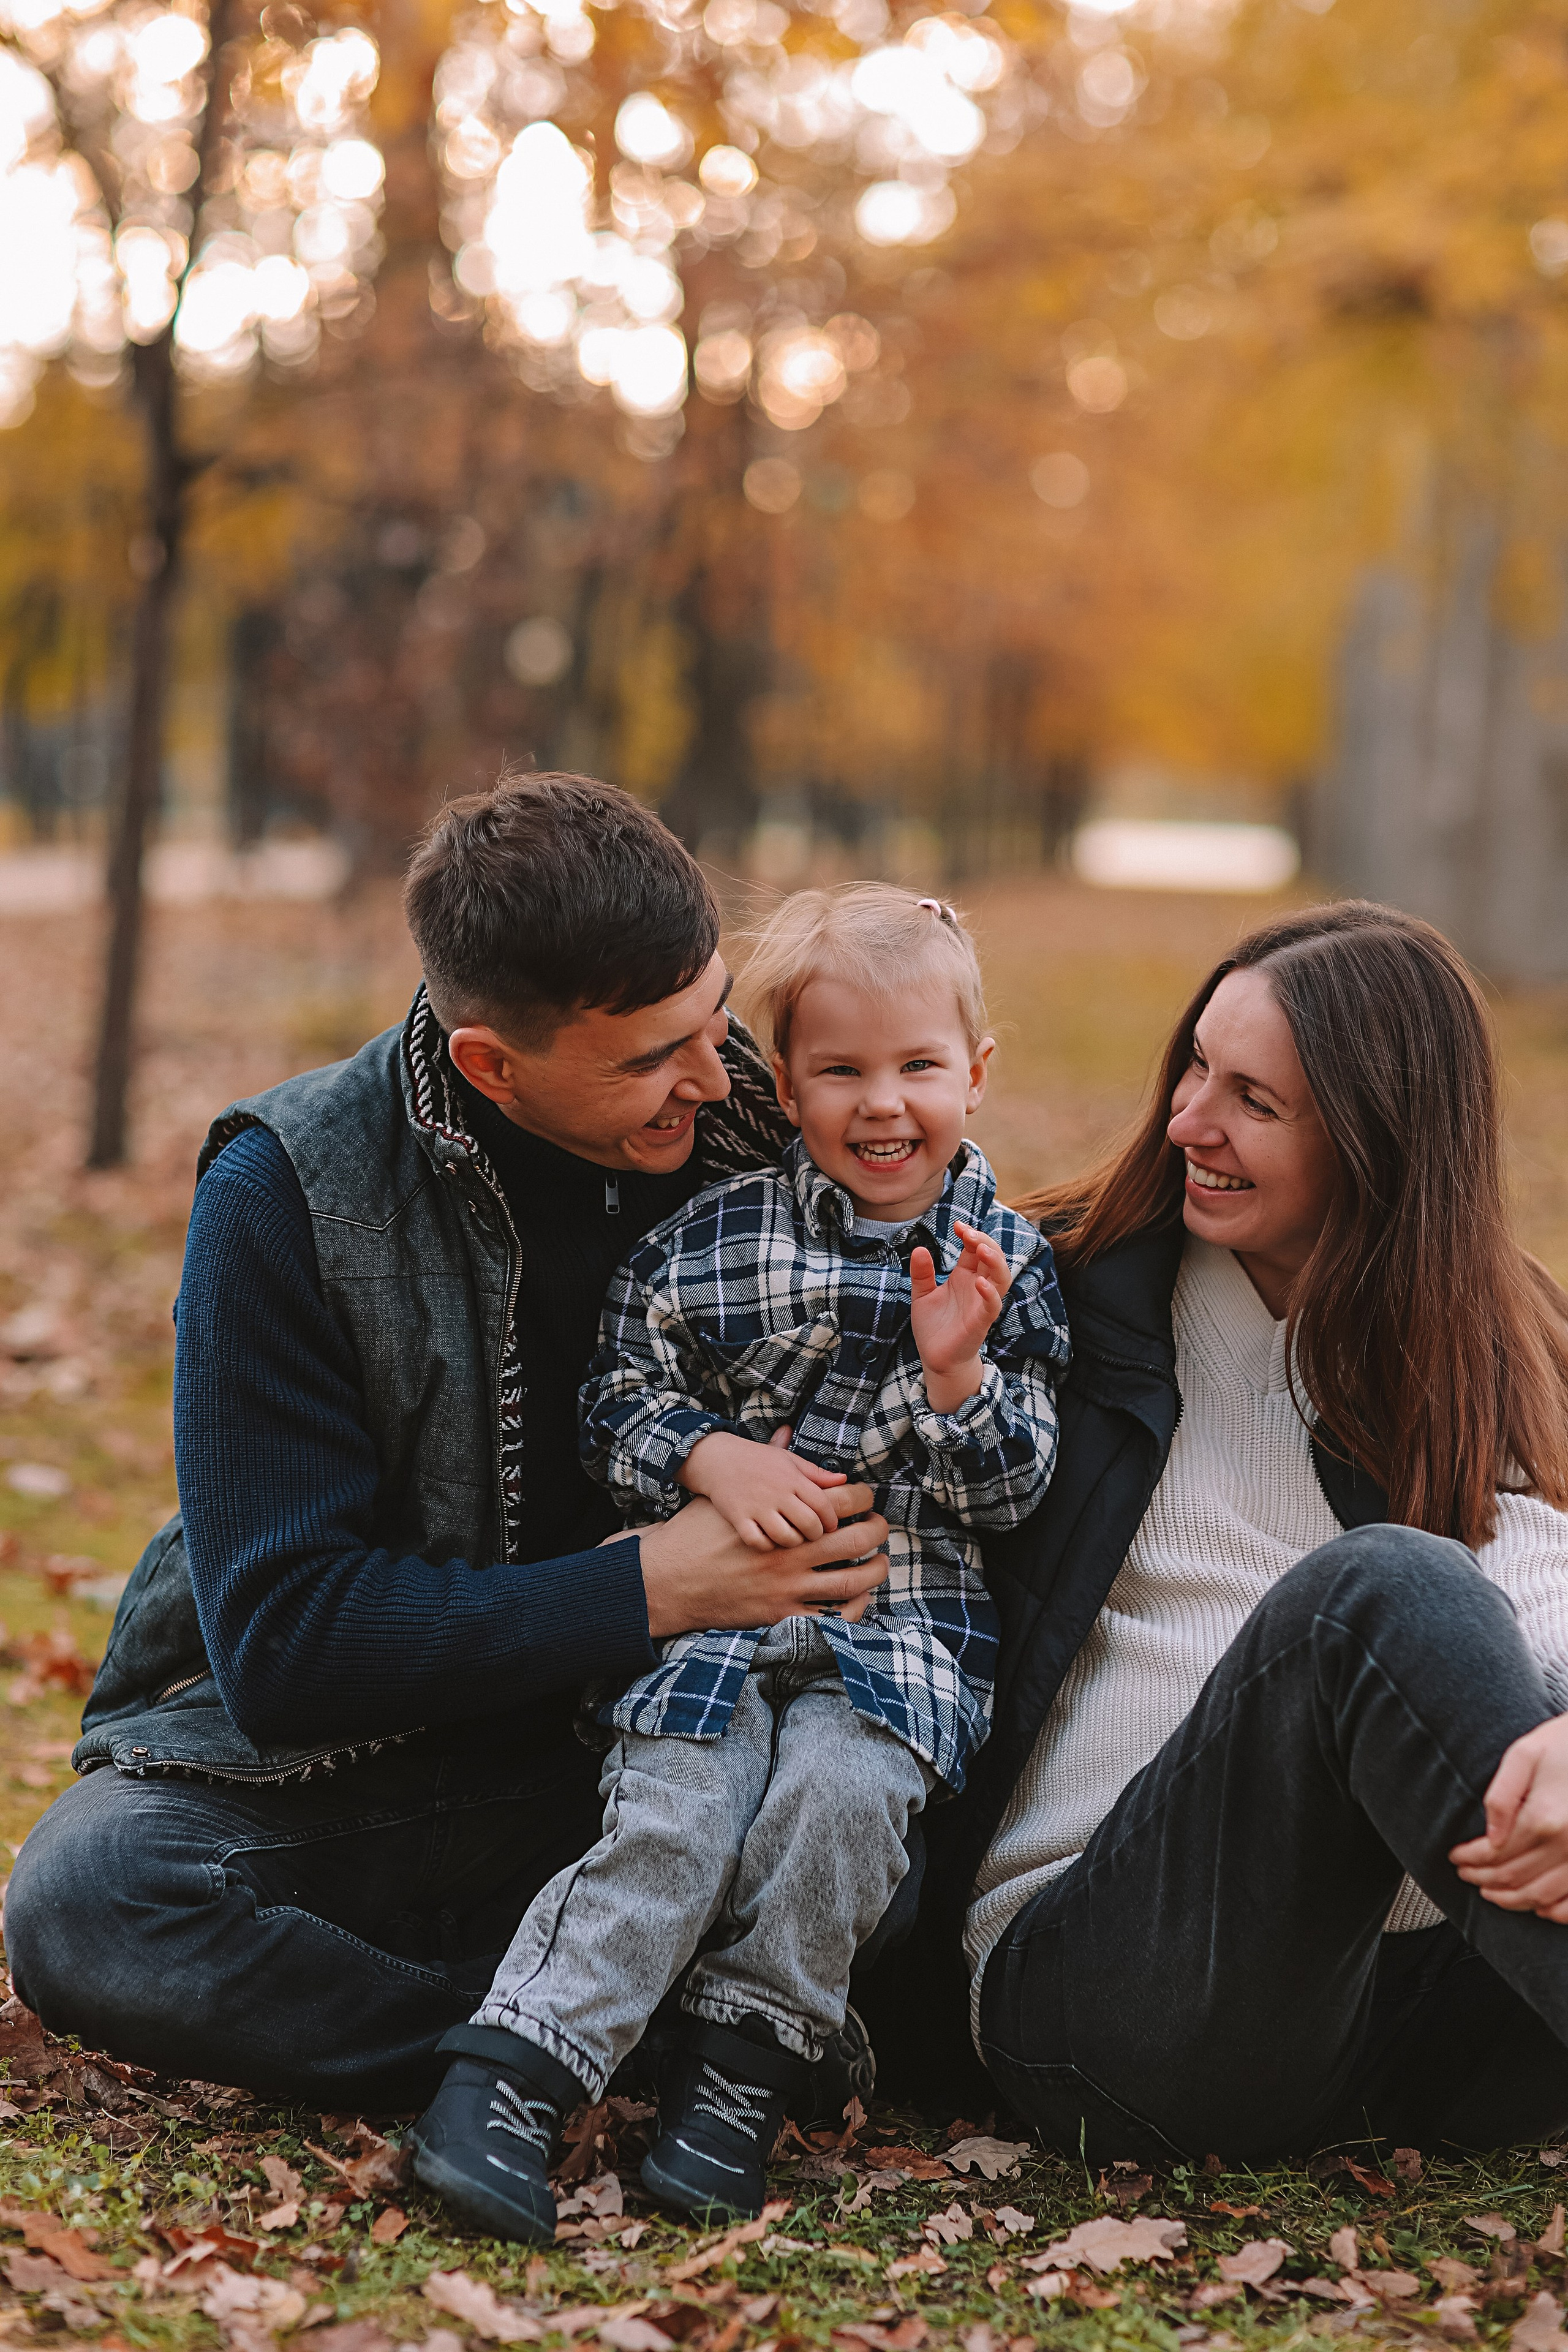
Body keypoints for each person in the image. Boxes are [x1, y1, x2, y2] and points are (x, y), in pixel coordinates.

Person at [3, 775, 892, 2109]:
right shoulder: (292, 1191)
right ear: (491, 1064)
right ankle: (584, 2053)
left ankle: (648, 2008)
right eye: (649, 1059)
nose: (711, 1080)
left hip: (688, 1749)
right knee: (91, 1901)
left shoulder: (774, 1130)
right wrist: (663, 1583)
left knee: (884, 1842)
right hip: (380, 1761)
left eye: (712, 1024)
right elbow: (290, 1649)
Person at [408, 885, 1069, 2240]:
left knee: (832, 1809)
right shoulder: (711, 1237)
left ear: (975, 1072)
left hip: (894, 1642)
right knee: (675, 1817)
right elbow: (614, 1396)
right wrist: (708, 1458)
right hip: (709, 1629)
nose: (882, 1106)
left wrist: (953, 1378)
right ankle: (515, 2073)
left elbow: (1018, 1490)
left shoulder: (1004, 1264)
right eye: (840, 1071)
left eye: (917, 1068)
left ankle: (734, 2082)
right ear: (786, 1079)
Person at [867, 898, 1568, 2160]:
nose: (1189, 1118)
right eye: (1196, 1064)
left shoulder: (1474, 1333)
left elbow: (1539, 1570)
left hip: (1399, 2020)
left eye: (1252, 1099)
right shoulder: (1043, 1299)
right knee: (1378, 1594)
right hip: (1105, 1989)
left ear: (1374, 1141)